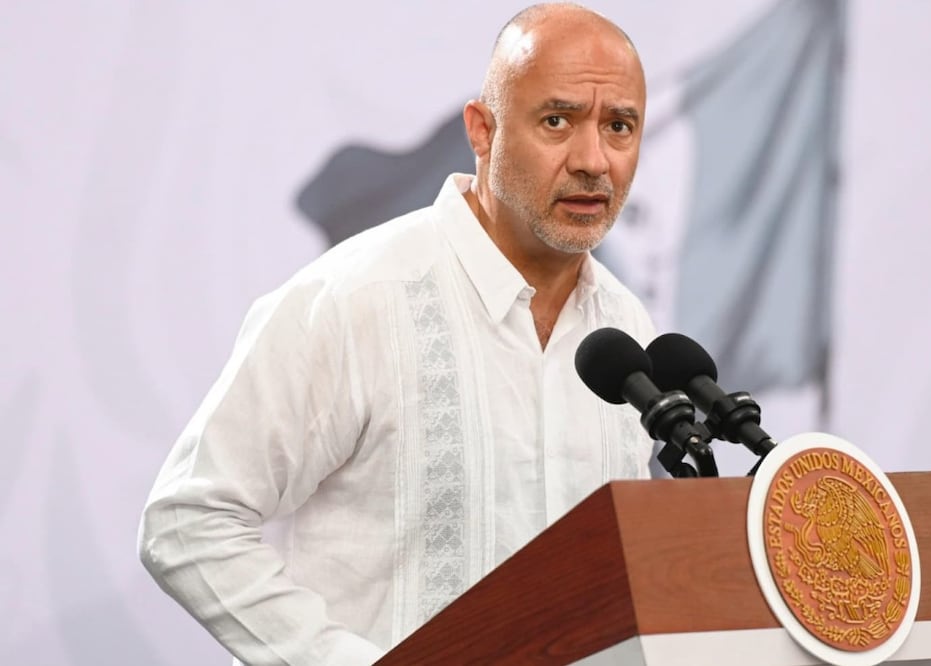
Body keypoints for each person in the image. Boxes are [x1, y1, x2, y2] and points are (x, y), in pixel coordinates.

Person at [138, 3, 655, 665]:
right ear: (483, 130)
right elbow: (187, 521)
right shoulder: (355, 297)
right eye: (557, 120)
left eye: (619, 126)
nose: (593, 160)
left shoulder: (626, 328)